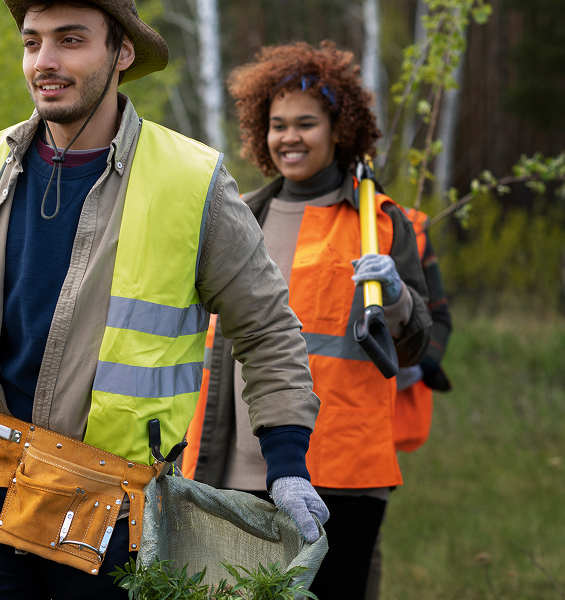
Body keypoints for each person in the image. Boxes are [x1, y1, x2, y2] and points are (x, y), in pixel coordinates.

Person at [0, 1, 329, 598]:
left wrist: (287, 461)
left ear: (122, 52)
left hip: (118, 523)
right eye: (32, 43)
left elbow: (268, 329)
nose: (45, 62)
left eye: (70, 40)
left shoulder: (193, 184)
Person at [183, 41, 432, 600]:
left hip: (341, 470)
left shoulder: (380, 224)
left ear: (339, 129)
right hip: (235, 466)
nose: (289, 137)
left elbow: (415, 345)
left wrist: (394, 295)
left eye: (305, 123)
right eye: (276, 124)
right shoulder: (242, 214)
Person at [365, 206, 453, 600]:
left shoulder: (408, 225)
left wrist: (417, 362)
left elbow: (439, 318)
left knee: (364, 539)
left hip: (375, 422)